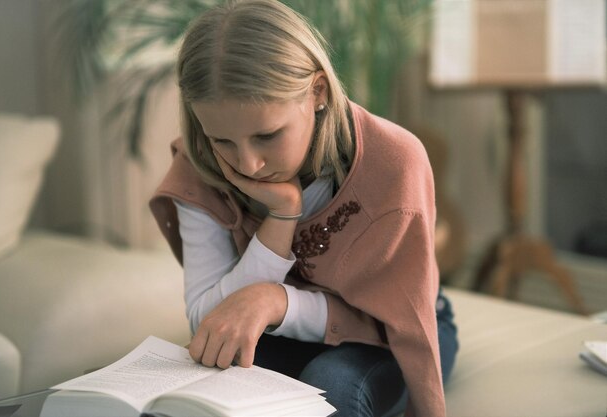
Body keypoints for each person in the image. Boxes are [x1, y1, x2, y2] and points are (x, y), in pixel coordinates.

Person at [150, 1, 458, 416]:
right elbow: (209, 319)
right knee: (193, 395)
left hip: (388, 328)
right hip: (280, 330)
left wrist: (275, 300)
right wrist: (280, 217)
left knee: (332, 388)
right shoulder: (199, 165)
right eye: (223, 140)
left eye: (267, 135)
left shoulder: (394, 163)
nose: (247, 164)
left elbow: (403, 321)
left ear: (317, 92)